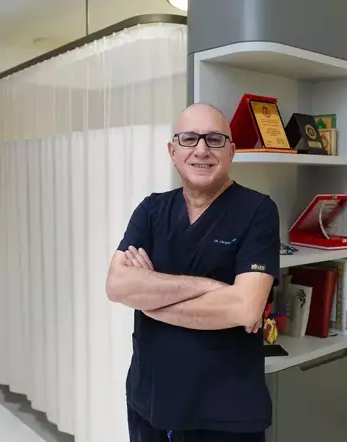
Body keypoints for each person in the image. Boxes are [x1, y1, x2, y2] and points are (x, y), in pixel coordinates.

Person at [106, 102, 281, 442]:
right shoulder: (151, 210)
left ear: (231, 151)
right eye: (189, 139)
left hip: (225, 411)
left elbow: (245, 308)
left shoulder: (258, 211)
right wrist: (212, 288)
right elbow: (117, 285)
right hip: (150, 400)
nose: (201, 150)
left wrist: (150, 300)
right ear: (173, 151)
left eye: (214, 139)